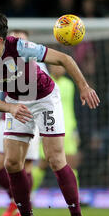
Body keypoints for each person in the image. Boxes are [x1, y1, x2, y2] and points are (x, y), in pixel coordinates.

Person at [0, 13, 100, 216]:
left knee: (55, 159)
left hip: (44, 99)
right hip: (16, 104)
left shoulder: (19, 46)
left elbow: (65, 60)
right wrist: (10, 108)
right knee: (11, 163)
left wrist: (84, 87)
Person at [0, 30, 48, 216]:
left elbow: (46, 95)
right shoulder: (4, 61)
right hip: (7, 116)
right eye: (15, 37)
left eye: (21, 38)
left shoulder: (38, 63)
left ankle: (23, 208)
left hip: (31, 118)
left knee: (25, 165)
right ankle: (14, 200)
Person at [32, 64, 81, 193]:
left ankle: (75, 196)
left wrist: (75, 130)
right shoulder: (45, 82)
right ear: (50, 68)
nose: (59, 69)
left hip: (68, 128)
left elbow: (70, 108)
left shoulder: (69, 85)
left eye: (61, 66)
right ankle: (29, 193)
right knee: (42, 164)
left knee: (71, 164)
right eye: (56, 66)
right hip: (49, 127)